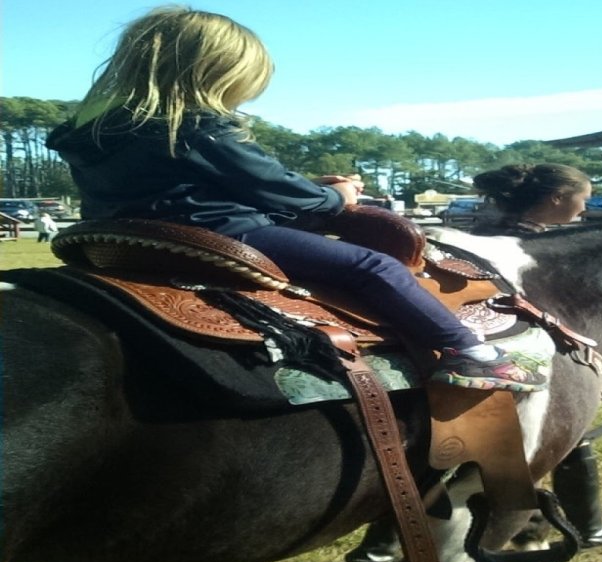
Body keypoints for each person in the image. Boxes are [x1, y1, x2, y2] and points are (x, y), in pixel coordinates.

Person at [45, 6, 544, 393]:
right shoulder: (197, 126)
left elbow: (208, 183)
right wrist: (336, 194)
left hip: (132, 237)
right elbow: (277, 190)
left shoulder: (94, 133)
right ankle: (469, 353)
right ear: (213, 72)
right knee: (374, 267)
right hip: (222, 233)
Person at [334, 164, 602, 562]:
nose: (585, 207)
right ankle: (588, 526)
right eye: (583, 197)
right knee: (550, 444)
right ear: (557, 199)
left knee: (437, 466)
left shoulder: (481, 233)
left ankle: (371, 561)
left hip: (448, 360)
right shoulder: (540, 250)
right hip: (495, 364)